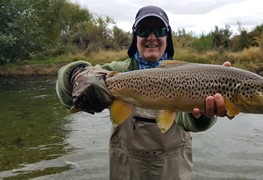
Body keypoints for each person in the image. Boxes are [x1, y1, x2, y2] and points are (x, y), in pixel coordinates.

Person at [56, 5, 230, 180]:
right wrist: (77, 75)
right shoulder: (119, 71)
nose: (152, 37)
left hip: (173, 170)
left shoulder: (188, 74)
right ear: (135, 37)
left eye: (159, 30)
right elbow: (65, 94)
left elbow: (189, 122)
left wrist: (204, 115)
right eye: (144, 30)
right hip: (126, 170)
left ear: (167, 38)